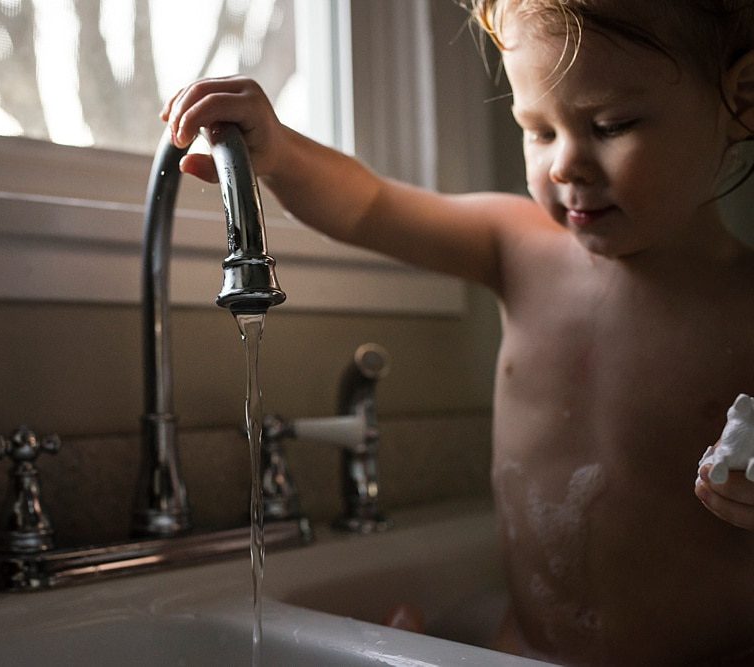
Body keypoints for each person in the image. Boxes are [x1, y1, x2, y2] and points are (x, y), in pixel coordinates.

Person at [162, 1, 754, 664]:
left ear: (742, 98)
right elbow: (371, 206)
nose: (564, 165)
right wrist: (281, 152)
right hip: (516, 650)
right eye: (537, 130)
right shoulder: (517, 244)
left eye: (610, 124)